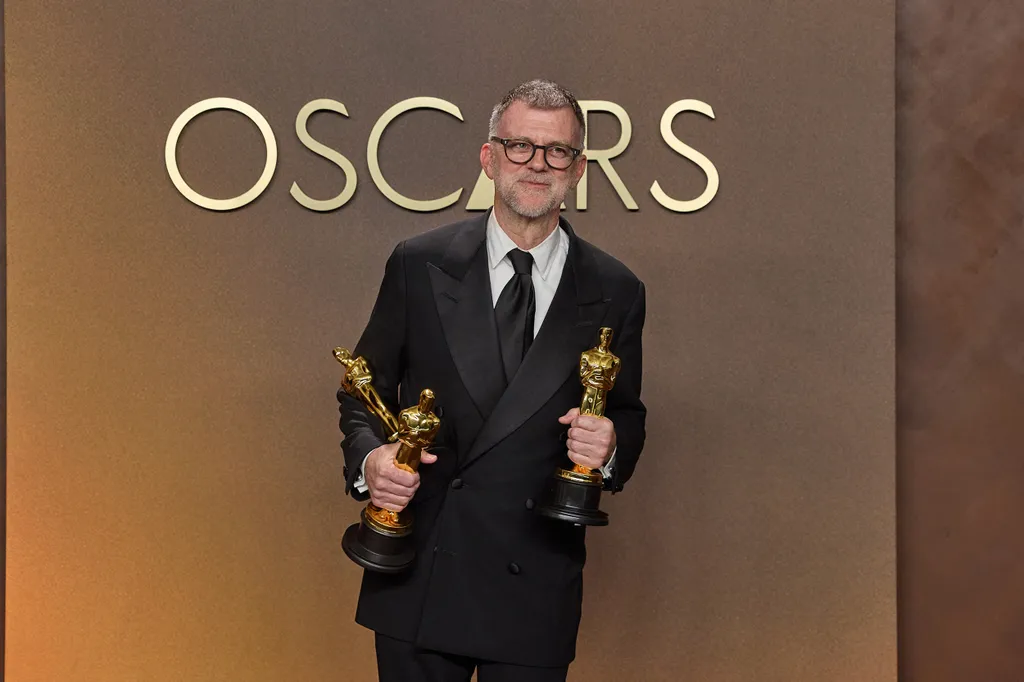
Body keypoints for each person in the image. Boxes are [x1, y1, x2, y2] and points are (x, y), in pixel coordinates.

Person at [338, 79, 647, 682]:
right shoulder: (417, 263)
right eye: (520, 147)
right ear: (489, 157)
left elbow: (627, 415)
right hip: (423, 571)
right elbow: (361, 389)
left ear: (578, 169)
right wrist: (370, 461)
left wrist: (608, 451)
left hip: (535, 581)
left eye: (557, 151)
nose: (538, 164)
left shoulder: (616, 289)